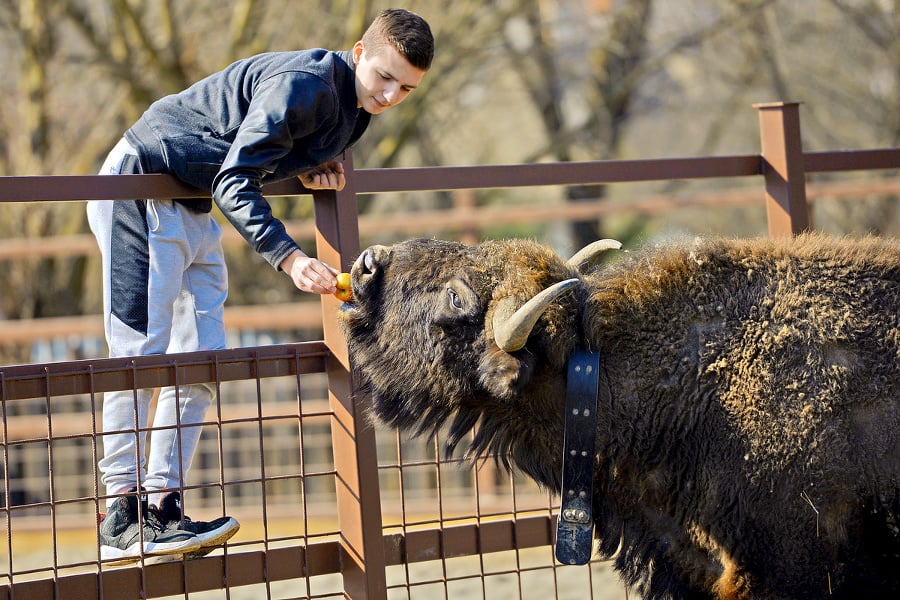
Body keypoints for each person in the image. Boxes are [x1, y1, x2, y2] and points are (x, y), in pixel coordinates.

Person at [87, 8, 434, 564]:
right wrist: (290, 259)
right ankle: (119, 514)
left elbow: (259, 153)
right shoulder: (306, 84)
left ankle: (162, 507)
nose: (391, 95)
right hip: (143, 184)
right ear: (360, 52)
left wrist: (309, 168)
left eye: (407, 88)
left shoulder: (354, 111)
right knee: (139, 352)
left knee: (201, 354)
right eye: (385, 77)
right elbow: (235, 176)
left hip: (194, 204)